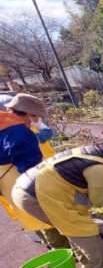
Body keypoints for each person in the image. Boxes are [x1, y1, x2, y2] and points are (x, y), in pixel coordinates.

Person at [13, 136, 103, 268]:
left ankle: (88, 263)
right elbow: (97, 200)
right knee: (80, 228)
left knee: (71, 225)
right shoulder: (98, 168)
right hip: (34, 196)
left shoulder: (91, 152)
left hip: (26, 188)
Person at [0, 93, 68, 248]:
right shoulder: (18, 131)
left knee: (26, 213)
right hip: (18, 176)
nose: (35, 121)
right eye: (35, 117)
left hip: (6, 180)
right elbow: (29, 164)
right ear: (28, 114)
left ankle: (49, 244)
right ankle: (62, 250)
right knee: (43, 213)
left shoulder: (3, 122)